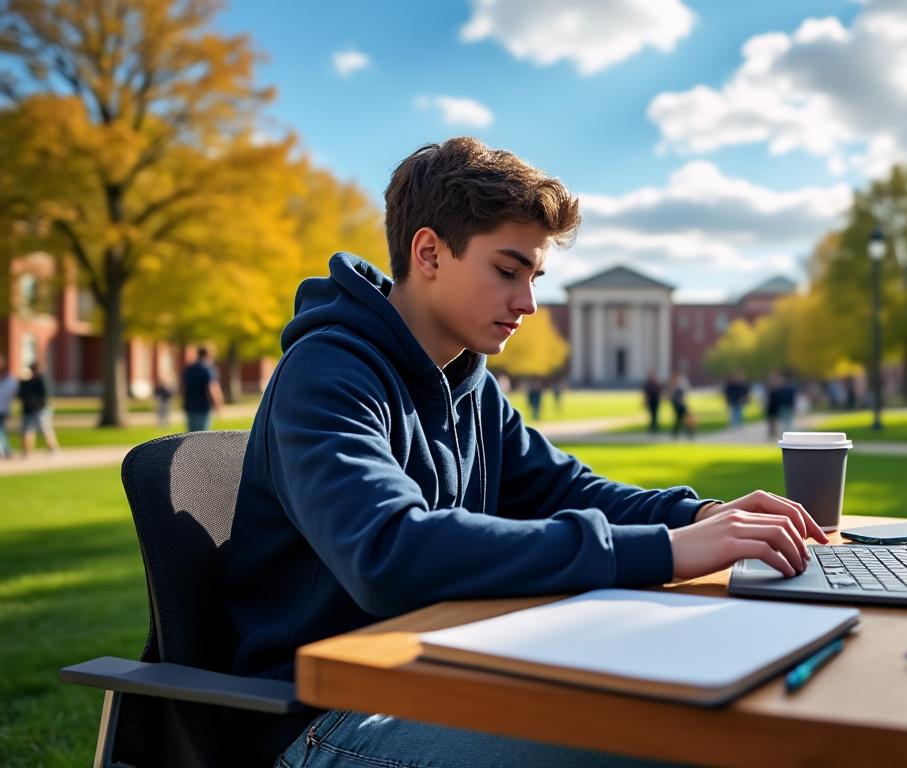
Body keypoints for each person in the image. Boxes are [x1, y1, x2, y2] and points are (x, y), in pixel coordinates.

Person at [226, 137, 826, 766]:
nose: (530, 303)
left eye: (535, 277)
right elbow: (388, 552)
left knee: (708, 710)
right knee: (663, 744)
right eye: (508, 271)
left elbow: (565, 490)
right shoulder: (326, 374)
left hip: (438, 669)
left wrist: (699, 516)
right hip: (328, 714)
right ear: (428, 252)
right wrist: (667, 551)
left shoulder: (467, 381)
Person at [18, 362, 59, 456]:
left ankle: (53, 449)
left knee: (45, 429)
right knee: (27, 430)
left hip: (41, 409)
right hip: (29, 409)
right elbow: (21, 393)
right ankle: (26, 452)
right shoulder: (26, 381)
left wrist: (37, 402)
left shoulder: (42, 379)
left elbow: (46, 395)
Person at [181, 347, 223, 431]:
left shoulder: (189, 369)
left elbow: (183, 387)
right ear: (208, 355)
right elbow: (212, 387)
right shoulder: (207, 369)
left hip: (190, 407)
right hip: (203, 408)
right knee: (202, 437)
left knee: (191, 436)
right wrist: (218, 405)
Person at [0, 357, 17, 459]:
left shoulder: (11, 380)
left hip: (4, 409)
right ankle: (6, 450)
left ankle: (4, 451)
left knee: (1, 430)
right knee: (1, 431)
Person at [669, 375, 693, 439]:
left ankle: (687, 433)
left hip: (681, 407)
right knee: (680, 421)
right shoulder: (676, 391)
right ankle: (686, 433)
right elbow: (675, 400)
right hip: (679, 408)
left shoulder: (678, 390)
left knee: (681, 421)